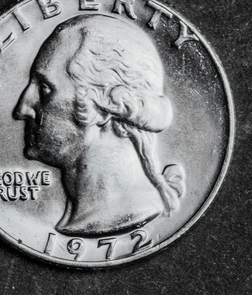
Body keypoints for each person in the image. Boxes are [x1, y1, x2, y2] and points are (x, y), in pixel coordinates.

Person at [13, 14, 185, 236]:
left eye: (45, 88)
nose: (22, 109)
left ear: (104, 108)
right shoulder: (78, 215)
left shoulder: (126, 213)